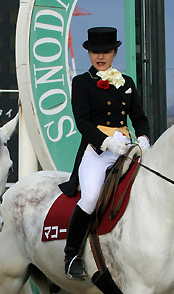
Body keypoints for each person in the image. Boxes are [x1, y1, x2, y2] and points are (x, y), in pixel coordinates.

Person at [59, 26, 151, 280]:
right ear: (89, 53)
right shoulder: (81, 83)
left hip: (127, 149)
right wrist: (106, 142)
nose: (100, 56)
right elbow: (82, 122)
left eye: (106, 52)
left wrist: (144, 137)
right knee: (90, 198)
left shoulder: (126, 82)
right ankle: (72, 256)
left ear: (115, 53)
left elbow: (139, 117)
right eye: (95, 52)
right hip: (97, 151)